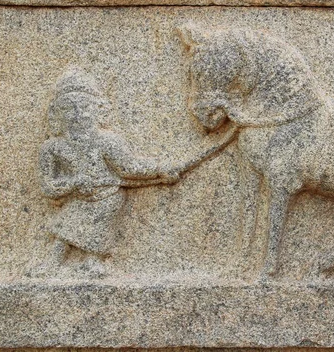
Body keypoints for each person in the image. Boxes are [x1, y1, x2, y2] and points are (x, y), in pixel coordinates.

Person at [32, 67, 235, 277]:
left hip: (107, 195)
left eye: (84, 106)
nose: (77, 115)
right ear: (56, 114)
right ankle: (53, 261)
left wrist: (159, 168)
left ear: (98, 110)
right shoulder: (51, 148)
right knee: (66, 224)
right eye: (68, 108)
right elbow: (48, 186)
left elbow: (128, 168)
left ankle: (93, 261)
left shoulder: (106, 141)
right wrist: (73, 184)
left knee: (97, 223)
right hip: (78, 196)